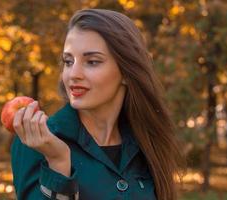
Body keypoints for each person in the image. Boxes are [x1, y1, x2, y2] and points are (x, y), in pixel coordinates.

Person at [11, 8, 186, 200]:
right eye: (68, 62)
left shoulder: (146, 141)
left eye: (92, 62)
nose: (73, 74)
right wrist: (58, 162)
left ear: (127, 72)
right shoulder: (37, 143)